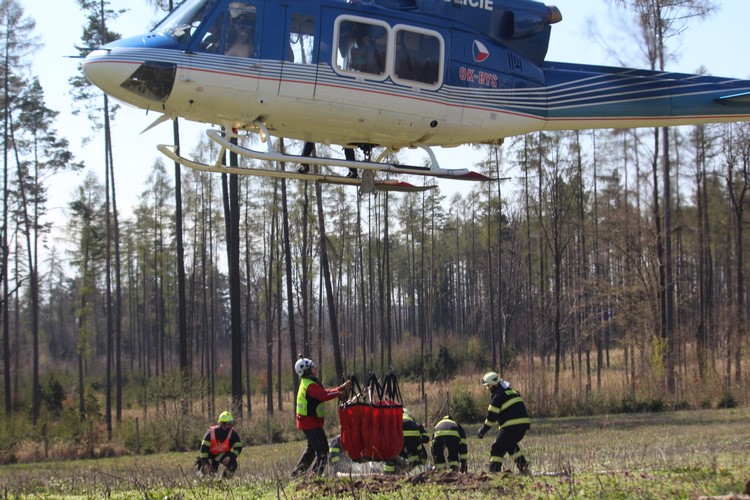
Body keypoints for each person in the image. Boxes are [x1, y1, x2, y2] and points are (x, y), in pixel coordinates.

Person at [290, 357, 352, 477]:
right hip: (310, 422)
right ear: (307, 370)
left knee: (312, 450)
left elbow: (324, 393)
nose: (315, 368)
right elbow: (323, 395)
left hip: (308, 422)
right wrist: (340, 393)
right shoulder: (310, 385)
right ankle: (315, 476)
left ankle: (296, 475)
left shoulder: (309, 382)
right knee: (323, 450)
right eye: (312, 367)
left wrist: (340, 389)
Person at [476, 372, 531, 474]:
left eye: (488, 386)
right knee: (510, 446)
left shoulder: (497, 396)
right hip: (523, 425)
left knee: (497, 448)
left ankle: (494, 474)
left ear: (494, 384)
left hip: (511, 426)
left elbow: (491, 418)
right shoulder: (512, 391)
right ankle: (524, 469)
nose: (488, 388)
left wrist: (482, 431)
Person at [197, 410, 243, 478]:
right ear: (222, 423)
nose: (230, 426)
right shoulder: (210, 433)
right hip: (210, 456)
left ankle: (224, 482)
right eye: (228, 424)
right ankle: (203, 481)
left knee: (233, 464)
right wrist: (205, 463)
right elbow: (204, 450)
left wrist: (230, 456)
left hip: (222, 455)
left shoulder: (233, 434)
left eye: (231, 423)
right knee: (209, 476)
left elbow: (238, 447)